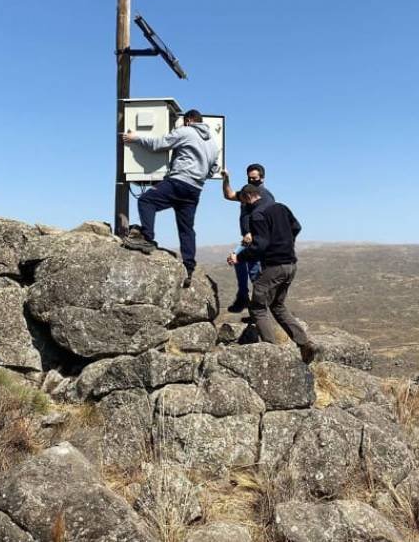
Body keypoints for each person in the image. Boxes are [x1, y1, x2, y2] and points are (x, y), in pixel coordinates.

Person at [122, 109, 219, 286]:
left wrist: (135, 138)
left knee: (146, 201)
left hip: (179, 181)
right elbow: (214, 169)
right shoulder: (213, 143)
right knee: (186, 228)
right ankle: (189, 267)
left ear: (189, 120)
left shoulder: (186, 131)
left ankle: (147, 238)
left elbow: (159, 143)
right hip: (195, 189)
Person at [227, 184, 317, 364]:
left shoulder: (257, 215)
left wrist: (240, 257)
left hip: (274, 266)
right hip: (291, 265)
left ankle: (273, 354)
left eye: (243, 202)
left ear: (247, 198)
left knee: (257, 307)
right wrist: (284, 243)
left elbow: (260, 245)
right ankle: (304, 343)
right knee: (277, 305)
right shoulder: (281, 208)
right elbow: (296, 227)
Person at [221, 164, 275, 312]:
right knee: (238, 260)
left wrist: (254, 233)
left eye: (255, 178)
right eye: (249, 178)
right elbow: (229, 195)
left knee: (255, 273)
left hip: (257, 240)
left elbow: (268, 220)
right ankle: (244, 297)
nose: (252, 181)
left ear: (262, 178)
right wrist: (226, 179)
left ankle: (258, 310)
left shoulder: (265, 197)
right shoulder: (248, 193)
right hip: (246, 240)